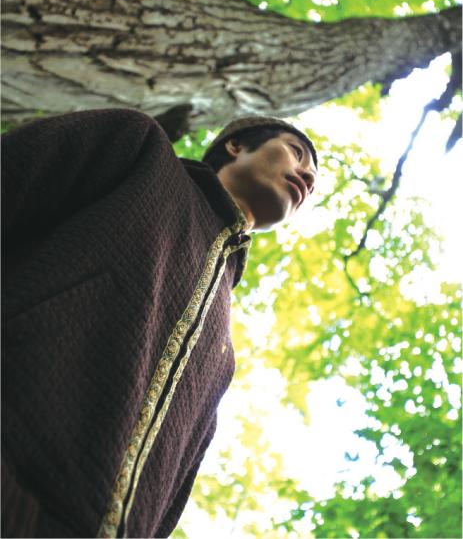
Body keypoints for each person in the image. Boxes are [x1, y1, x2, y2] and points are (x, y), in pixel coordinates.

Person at [2, 109, 318, 538]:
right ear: (236, 144)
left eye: (313, 179)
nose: (307, 176)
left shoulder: (223, 353)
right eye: (296, 152)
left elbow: (170, 497)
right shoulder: (140, 151)